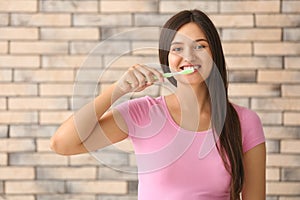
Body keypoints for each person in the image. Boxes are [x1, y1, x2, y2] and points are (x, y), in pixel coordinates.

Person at [50, 9, 266, 200]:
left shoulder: (245, 121)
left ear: (214, 54)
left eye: (200, 46)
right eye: (177, 49)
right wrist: (117, 89)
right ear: (166, 58)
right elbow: (62, 143)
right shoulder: (143, 113)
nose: (188, 56)